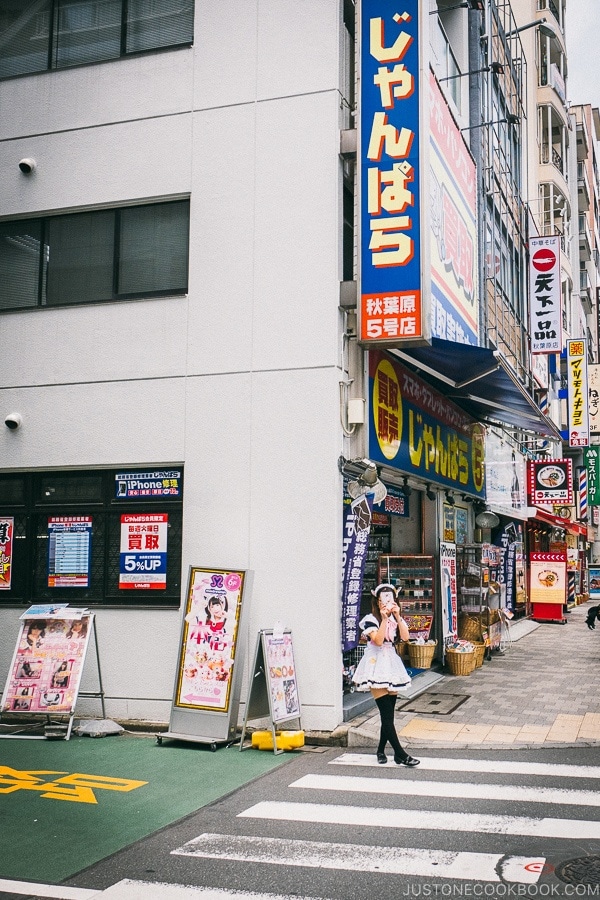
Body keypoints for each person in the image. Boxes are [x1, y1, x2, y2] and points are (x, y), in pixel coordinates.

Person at [352, 583, 420, 767]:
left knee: (388, 715)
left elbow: (406, 638)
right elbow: (378, 640)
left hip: (391, 663)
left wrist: (397, 616)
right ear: (377, 600)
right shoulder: (370, 619)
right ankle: (400, 754)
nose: (387, 601)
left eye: (390, 597)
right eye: (384, 597)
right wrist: (383, 619)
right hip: (375, 665)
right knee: (385, 713)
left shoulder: (394, 619)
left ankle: (381, 750)